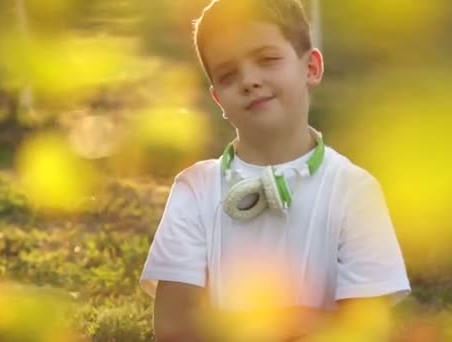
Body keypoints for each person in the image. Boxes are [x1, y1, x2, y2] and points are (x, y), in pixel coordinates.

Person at [139, 0, 411, 340]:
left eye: (267, 59)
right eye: (228, 74)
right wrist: (306, 321)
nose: (249, 80)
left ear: (310, 67)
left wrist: (225, 324)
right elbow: (174, 327)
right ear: (218, 100)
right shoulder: (195, 189)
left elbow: (365, 330)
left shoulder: (355, 191)